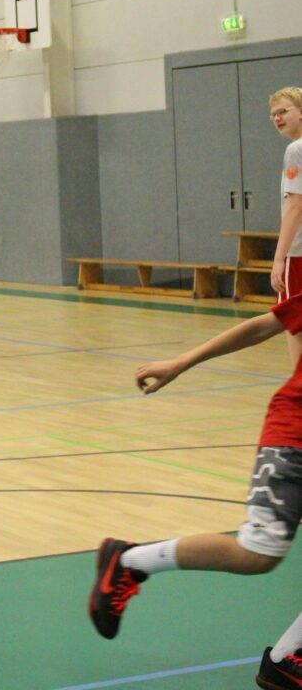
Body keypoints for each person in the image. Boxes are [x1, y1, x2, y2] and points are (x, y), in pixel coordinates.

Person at [88, 292, 302, 690]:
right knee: (257, 555)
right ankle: (129, 561)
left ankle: (287, 660)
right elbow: (264, 325)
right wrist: (181, 362)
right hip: (294, 438)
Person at [269, 87, 302, 365]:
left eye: (283, 111)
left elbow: (295, 206)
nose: (277, 118)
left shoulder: (296, 150)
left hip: (298, 254)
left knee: (294, 322)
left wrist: (279, 258)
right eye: (273, 114)